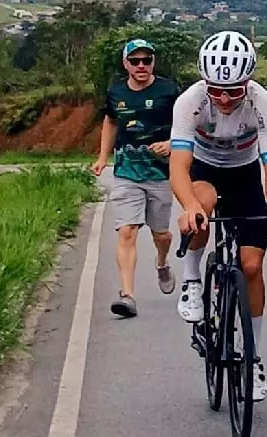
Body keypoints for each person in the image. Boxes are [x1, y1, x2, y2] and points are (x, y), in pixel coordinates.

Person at [168, 30, 267, 402]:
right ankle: (192, 279)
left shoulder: (263, 104)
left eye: (234, 91)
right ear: (206, 83)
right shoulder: (190, 102)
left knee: (253, 267)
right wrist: (189, 206)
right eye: (217, 90)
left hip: (244, 176)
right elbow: (179, 167)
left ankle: (253, 356)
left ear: (248, 83)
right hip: (204, 171)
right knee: (202, 207)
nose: (224, 99)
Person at [91, 38, 181, 318]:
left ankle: (162, 262)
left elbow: (187, 124)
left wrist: (171, 143)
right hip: (127, 172)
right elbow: (111, 121)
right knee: (127, 231)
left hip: (161, 173)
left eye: (147, 60)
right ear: (125, 63)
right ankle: (127, 295)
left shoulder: (169, 90)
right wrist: (103, 156)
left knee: (161, 234)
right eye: (135, 61)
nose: (141, 66)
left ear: (153, 62)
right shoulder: (116, 92)